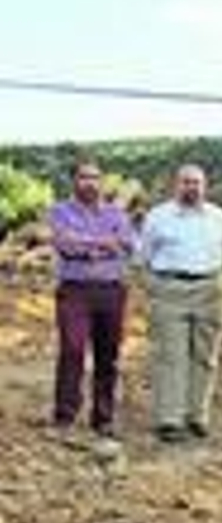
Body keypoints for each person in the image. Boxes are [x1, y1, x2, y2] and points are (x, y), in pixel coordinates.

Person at [139, 164, 222, 442]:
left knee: (206, 357)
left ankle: (197, 416)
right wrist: (154, 287)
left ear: (205, 186)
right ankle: (170, 419)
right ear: (175, 185)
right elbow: (144, 257)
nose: (191, 187)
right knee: (171, 356)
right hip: (170, 289)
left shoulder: (220, 218)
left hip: (210, 290)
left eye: (197, 182)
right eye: (186, 182)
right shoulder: (158, 217)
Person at [46, 158, 137, 439]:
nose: (91, 182)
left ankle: (103, 418)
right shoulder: (59, 211)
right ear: (74, 181)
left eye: (96, 177)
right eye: (84, 177)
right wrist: (102, 244)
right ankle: (65, 415)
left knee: (107, 356)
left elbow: (128, 245)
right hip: (75, 291)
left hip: (112, 290)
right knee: (72, 350)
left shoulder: (116, 213)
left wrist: (85, 243)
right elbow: (65, 244)